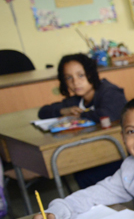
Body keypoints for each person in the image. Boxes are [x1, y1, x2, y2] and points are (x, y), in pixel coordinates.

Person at [39, 53, 128, 188]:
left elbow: (109, 114)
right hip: (97, 152)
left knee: (84, 176)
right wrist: (63, 111)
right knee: (76, 171)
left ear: (91, 74)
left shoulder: (109, 91)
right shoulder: (77, 100)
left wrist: (81, 116)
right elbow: (43, 111)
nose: (75, 82)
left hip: (121, 153)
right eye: (69, 78)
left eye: (80, 75)